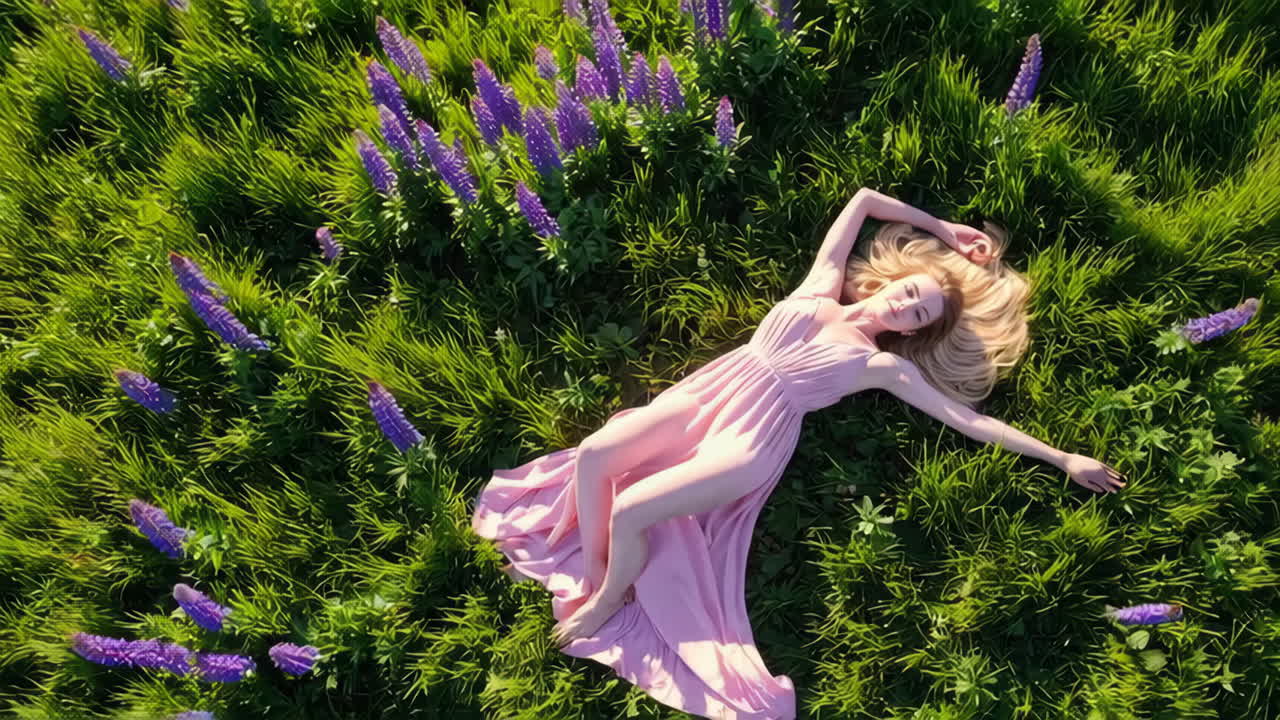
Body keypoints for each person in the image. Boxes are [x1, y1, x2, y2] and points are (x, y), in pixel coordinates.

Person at [471, 187, 1127, 720]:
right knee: (594, 454)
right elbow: (866, 199)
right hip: (712, 392)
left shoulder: (881, 367)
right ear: (893, 280)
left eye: (918, 313)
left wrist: (1063, 458)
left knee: (635, 507)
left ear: (912, 333)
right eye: (912, 289)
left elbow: (970, 422)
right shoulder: (822, 284)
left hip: (752, 437)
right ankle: (585, 563)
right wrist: (946, 229)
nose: (906, 303)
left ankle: (606, 596)